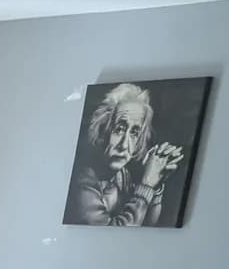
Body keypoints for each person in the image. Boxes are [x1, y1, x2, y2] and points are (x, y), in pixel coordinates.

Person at [68, 83, 184, 227]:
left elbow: (147, 225)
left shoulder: (122, 175)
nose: (124, 145)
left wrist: (155, 183)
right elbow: (112, 233)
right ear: (101, 131)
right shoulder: (82, 182)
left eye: (135, 133)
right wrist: (146, 184)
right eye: (119, 130)